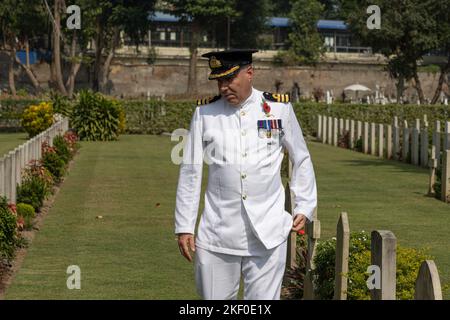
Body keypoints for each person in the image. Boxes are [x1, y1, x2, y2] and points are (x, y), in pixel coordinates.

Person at [174, 49, 317, 300]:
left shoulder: (278, 109)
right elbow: (191, 171)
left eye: (229, 79)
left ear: (249, 73)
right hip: (218, 233)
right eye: (219, 81)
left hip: (268, 233)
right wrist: (184, 225)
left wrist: (304, 204)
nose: (224, 87)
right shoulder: (205, 114)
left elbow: (301, 158)